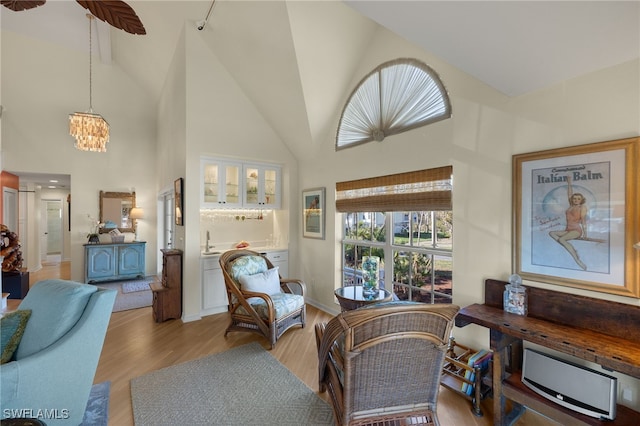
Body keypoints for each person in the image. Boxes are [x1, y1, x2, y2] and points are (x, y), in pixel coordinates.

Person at [549, 175, 588, 270]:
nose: (576, 200)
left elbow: (583, 220)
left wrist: (585, 234)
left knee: (562, 240)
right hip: (568, 229)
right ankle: (570, 248)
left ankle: (577, 259)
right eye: (574, 199)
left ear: (582, 200)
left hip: (576, 230)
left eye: (578, 199)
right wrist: (569, 183)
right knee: (551, 233)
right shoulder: (571, 206)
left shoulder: (582, 208)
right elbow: (569, 194)